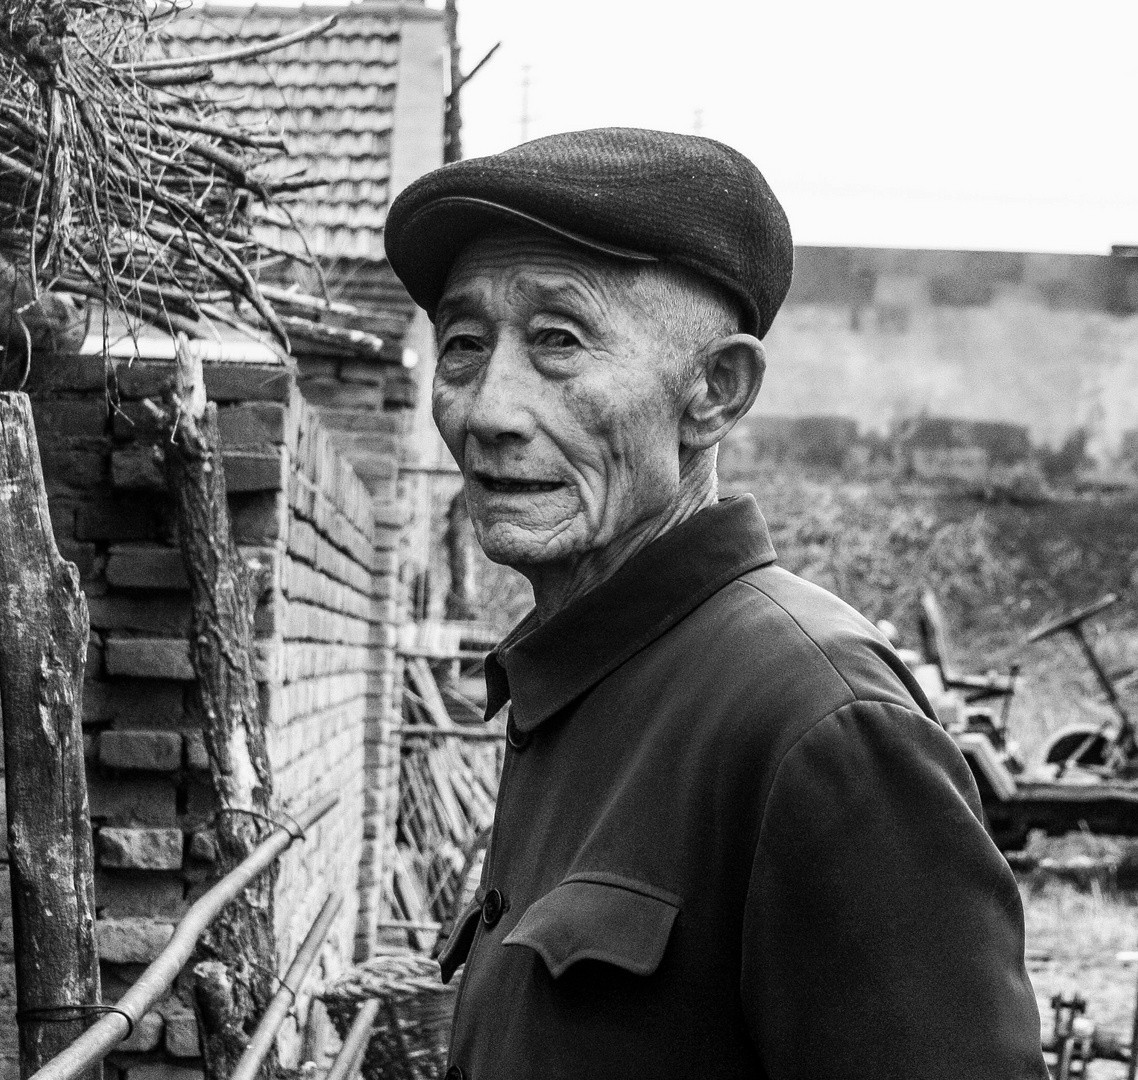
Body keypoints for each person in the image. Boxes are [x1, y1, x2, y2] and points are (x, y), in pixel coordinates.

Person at [383, 127, 1046, 1079]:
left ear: (715, 392)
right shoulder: (584, 683)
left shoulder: (818, 723)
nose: (487, 408)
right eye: (463, 345)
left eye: (558, 342)